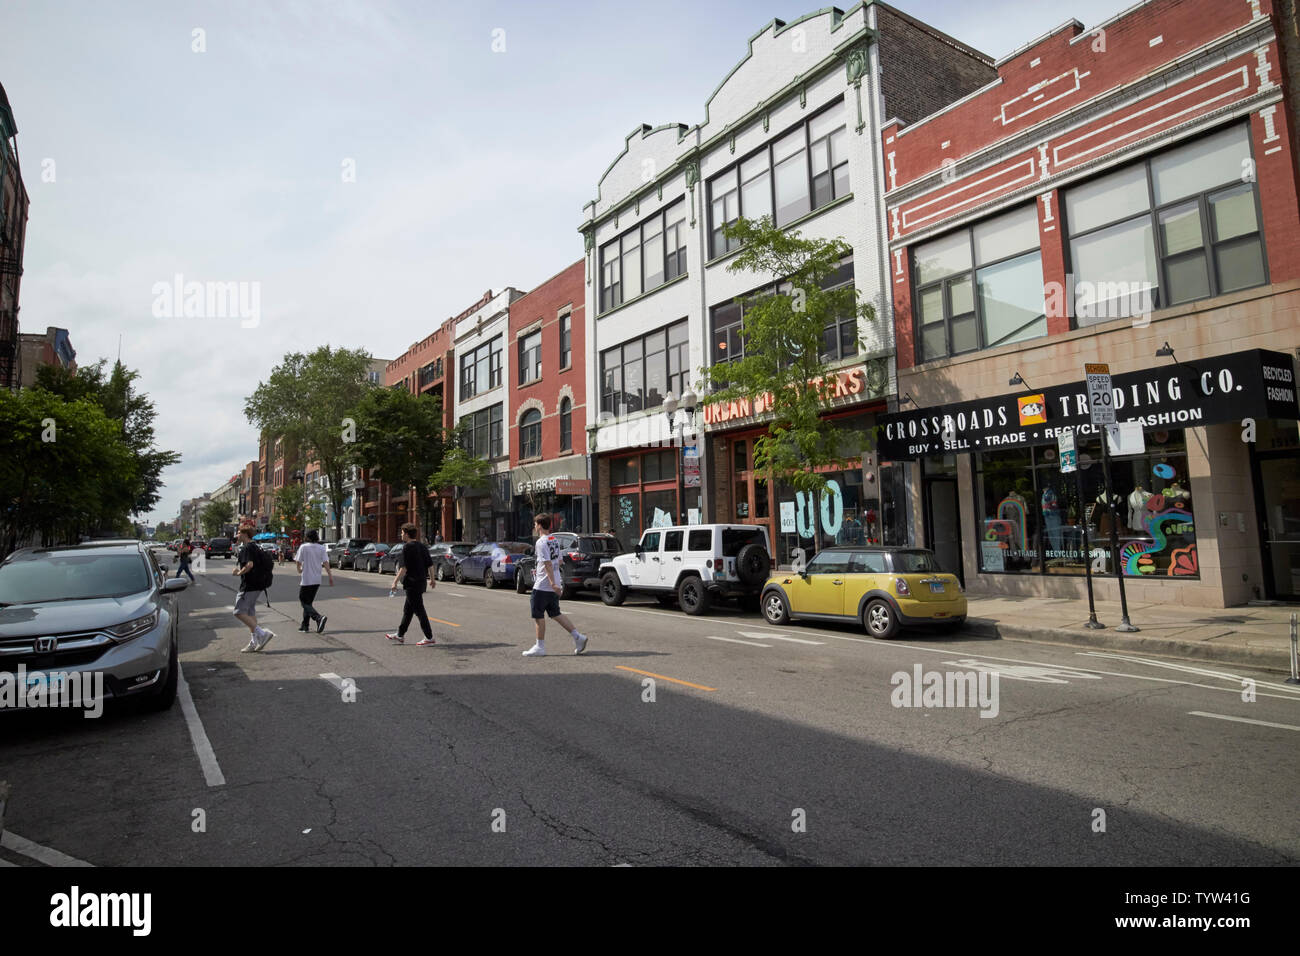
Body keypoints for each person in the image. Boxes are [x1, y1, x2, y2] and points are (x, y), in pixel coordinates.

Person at [522, 513, 588, 657]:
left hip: (543, 585)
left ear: (539, 525)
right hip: (554, 583)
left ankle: (540, 646)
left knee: (538, 615)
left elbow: (547, 564)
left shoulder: (541, 542)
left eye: (535, 524)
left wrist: (552, 583)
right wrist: (556, 582)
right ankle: (578, 637)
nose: (534, 526)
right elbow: (559, 561)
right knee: (555, 613)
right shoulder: (554, 540)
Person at [386, 522, 437, 646]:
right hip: (420, 583)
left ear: (407, 534)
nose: (401, 535)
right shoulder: (422, 546)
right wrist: (432, 579)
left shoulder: (406, 548)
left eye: (402, 533)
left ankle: (429, 637)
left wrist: (394, 582)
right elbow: (430, 564)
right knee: (408, 611)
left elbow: (403, 569)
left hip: (411, 583)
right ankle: (400, 635)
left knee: (419, 610)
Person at [233, 528, 276, 652]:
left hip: (249, 586)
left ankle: (262, 634)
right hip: (258, 585)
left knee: (238, 612)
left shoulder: (247, 548)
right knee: (250, 613)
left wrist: (238, 573)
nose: (237, 535)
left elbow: (249, 565)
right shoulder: (256, 547)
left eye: (239, 533)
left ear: (245, 534)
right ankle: (254, 642)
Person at [295, 529, 333, 633]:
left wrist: (299, 570)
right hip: (316, 579)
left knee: (303, 601)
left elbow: (298, 561)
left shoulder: (303, 547)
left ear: (307, 537)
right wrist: (330, 575)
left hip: (307, 578)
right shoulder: (321, 548)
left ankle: (318, 618)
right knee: (308, 602)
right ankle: (305, 625)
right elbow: (326, 562)